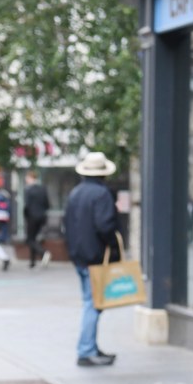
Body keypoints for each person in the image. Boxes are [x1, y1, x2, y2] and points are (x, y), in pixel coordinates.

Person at [64, 151, 121, 367]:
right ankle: (86, 350)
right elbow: (105, 225)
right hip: (95, 256)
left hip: (79, 255)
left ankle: (90, 347)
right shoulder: (101, 194)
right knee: (93, 303)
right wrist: (113, 246)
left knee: (90, 300)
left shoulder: (75, 193)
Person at [23, 171, 51, 268]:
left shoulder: (28, 190)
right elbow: (47, 204)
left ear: (30, 178)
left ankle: (43, 253)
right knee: (33, 238)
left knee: (30, 239)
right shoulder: (42, 189)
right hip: (41, 217)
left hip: (32, 217)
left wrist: (26, 215)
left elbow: (27, 205)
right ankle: (32, 261)